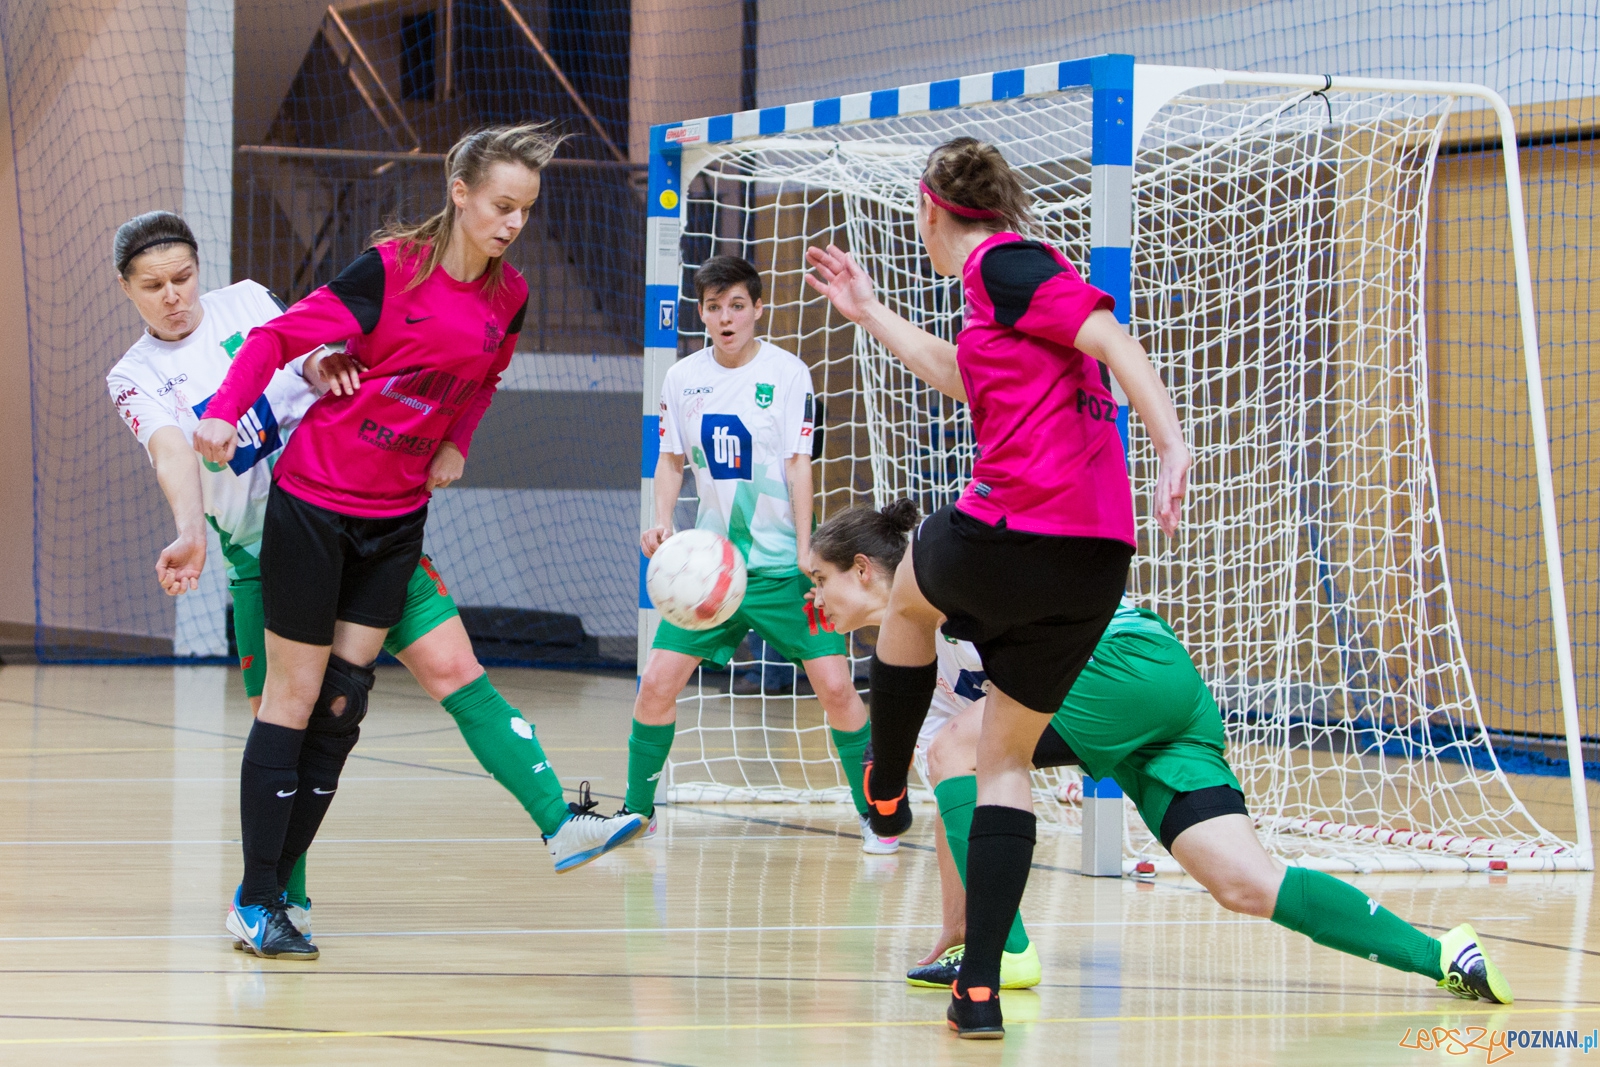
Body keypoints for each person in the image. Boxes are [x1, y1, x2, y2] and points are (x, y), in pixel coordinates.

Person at [107, 210, 642, 956]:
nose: (174, 295)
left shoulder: (250, 302)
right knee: (287, 722)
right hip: (269, 554)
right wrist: (191, 530)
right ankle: (274, 899)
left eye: (184, 277)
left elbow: (310, 358)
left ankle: (558, 819)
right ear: (128, 291)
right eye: (154, 286)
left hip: (357, 516)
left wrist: (325, 366)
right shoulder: (133, 376)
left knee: (456, 668)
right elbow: (173, 452)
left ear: (202, 267)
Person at [808, 501, 1514, 1007]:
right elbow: (963, 798)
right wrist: (959, 929)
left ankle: (1010, 955)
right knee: (1245, 881)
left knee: (959, 752)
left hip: (1120, 662)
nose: (814, 598)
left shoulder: (940, 588)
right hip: (1161, 702)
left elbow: (962, 754)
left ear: (866, 570)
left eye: (819, 579)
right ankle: (1445, 953)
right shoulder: (915, 660)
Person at [805, 136, 1190, 1038]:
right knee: (1003, 762)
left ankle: (887, 780)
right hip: (1096, 562)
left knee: (905, 592)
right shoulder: (1003, 316)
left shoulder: (1003, 264)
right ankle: (978, 988)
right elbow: (957, 374)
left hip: (1017, 531)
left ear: (928, 207)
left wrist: (1170, 442)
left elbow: (1111, 334)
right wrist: (868, 310)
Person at [626, 255, 883, 850]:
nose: (725, 318)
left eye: (736, 305)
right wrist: (661, 521)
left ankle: (874, 815)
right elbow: (671, 459)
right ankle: (638, 812)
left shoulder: (789, 372)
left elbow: (799, 465)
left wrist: (806, 549)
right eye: (713, 307)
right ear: (702, 313)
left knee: (838, 690)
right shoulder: (681, 378)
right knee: (656, 686)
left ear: (758, 308)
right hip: (713, 573)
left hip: (783, 573)